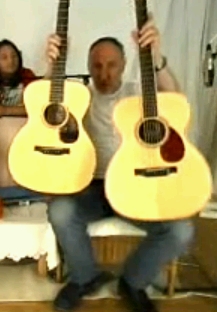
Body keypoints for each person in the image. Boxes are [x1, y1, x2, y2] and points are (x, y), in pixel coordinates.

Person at [45, 18, 194, 312]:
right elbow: (48, 104)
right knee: (60, 211)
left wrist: (158, 58)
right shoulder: (79, 96)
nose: (104, 73)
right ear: (88, 66)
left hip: (137, 186)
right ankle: (86, 277)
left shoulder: (138, 94)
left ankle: (133, 281)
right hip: (92, 187)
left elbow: (176, 99)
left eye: (111, 65)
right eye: (97, 66)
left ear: (124, 64)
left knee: (181, 230)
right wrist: (51, 67)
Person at [0, 39, 46, 205]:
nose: (10, 61)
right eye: (4, 57)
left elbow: (39, 107)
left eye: (14, 56)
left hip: (27, 132)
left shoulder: (28, 77)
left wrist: (5, 111)